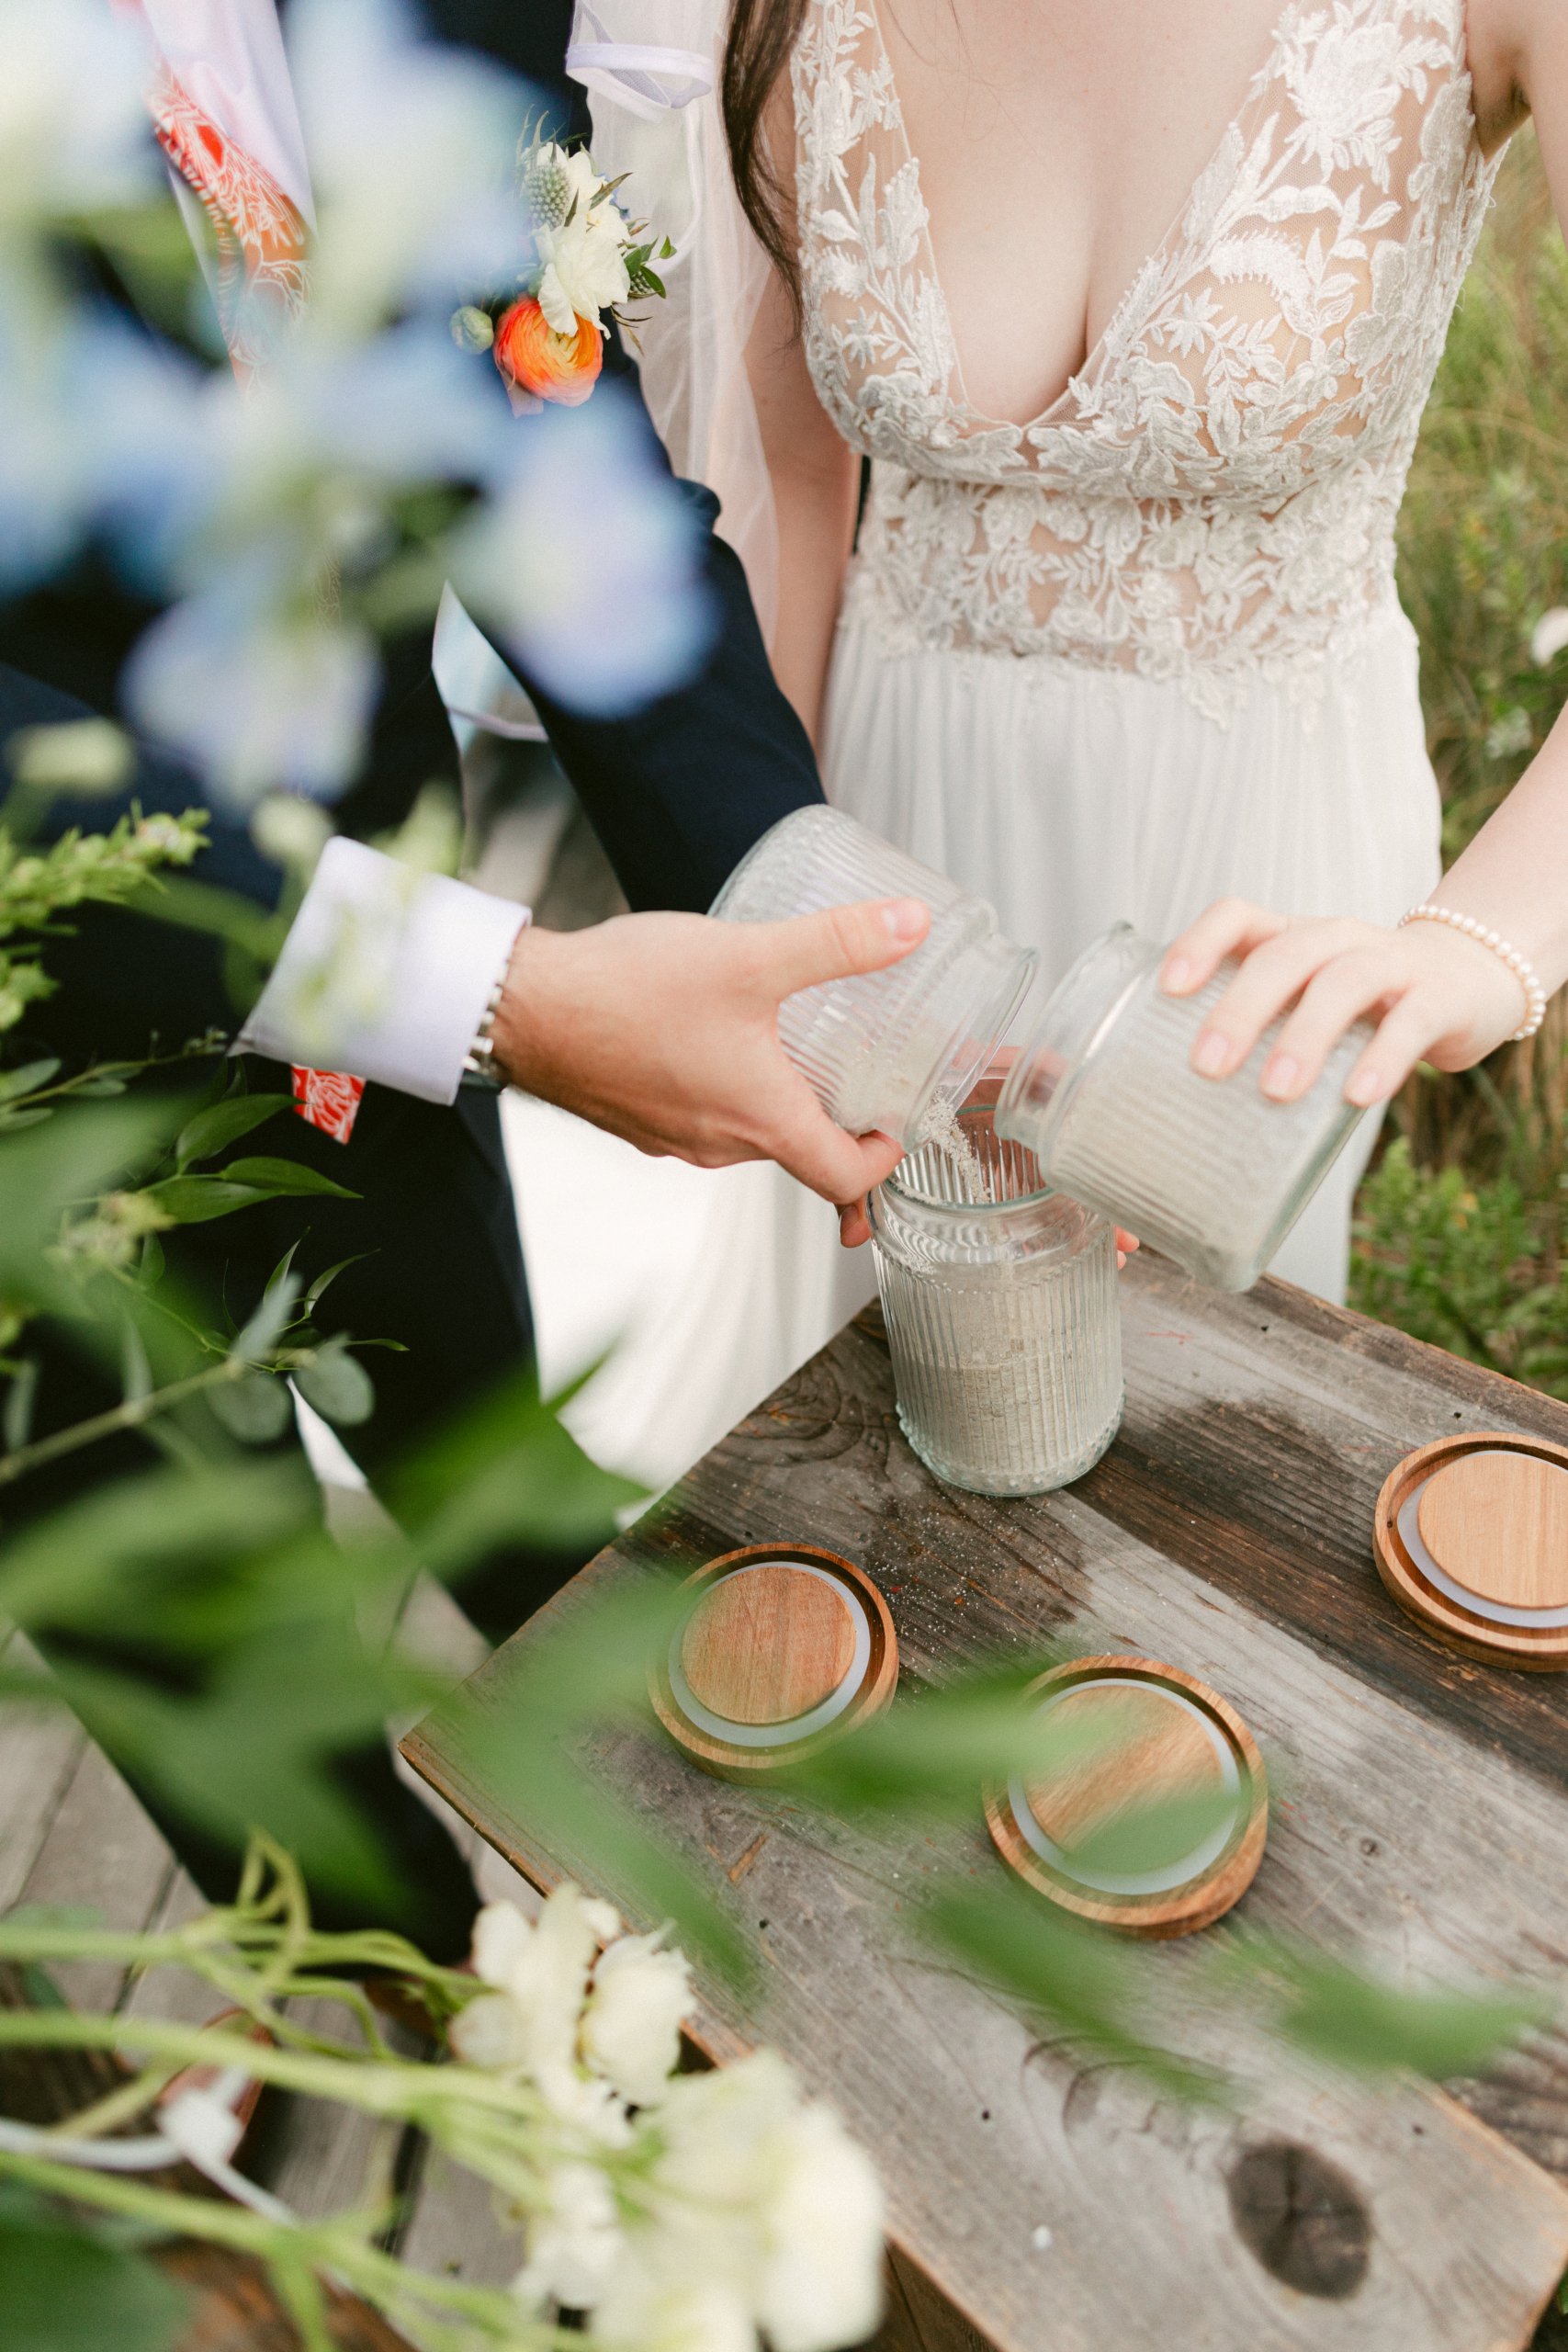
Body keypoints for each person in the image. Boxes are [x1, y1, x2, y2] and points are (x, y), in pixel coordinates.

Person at [0, 0, 928, 1960]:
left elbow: (552, 457)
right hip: (27, 1116)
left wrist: (815, 935)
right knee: (228, 1689)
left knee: (497, 1467)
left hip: (401, 977)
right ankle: (416, 2015)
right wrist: (495, 988)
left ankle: (702, 1960)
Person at [580, 0, 1567, 1323]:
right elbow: (792, 466)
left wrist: (1482, 943)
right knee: (881, 1376)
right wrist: (788, 901)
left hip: (1252, 870)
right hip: (897, 833)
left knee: (1206, 1413)